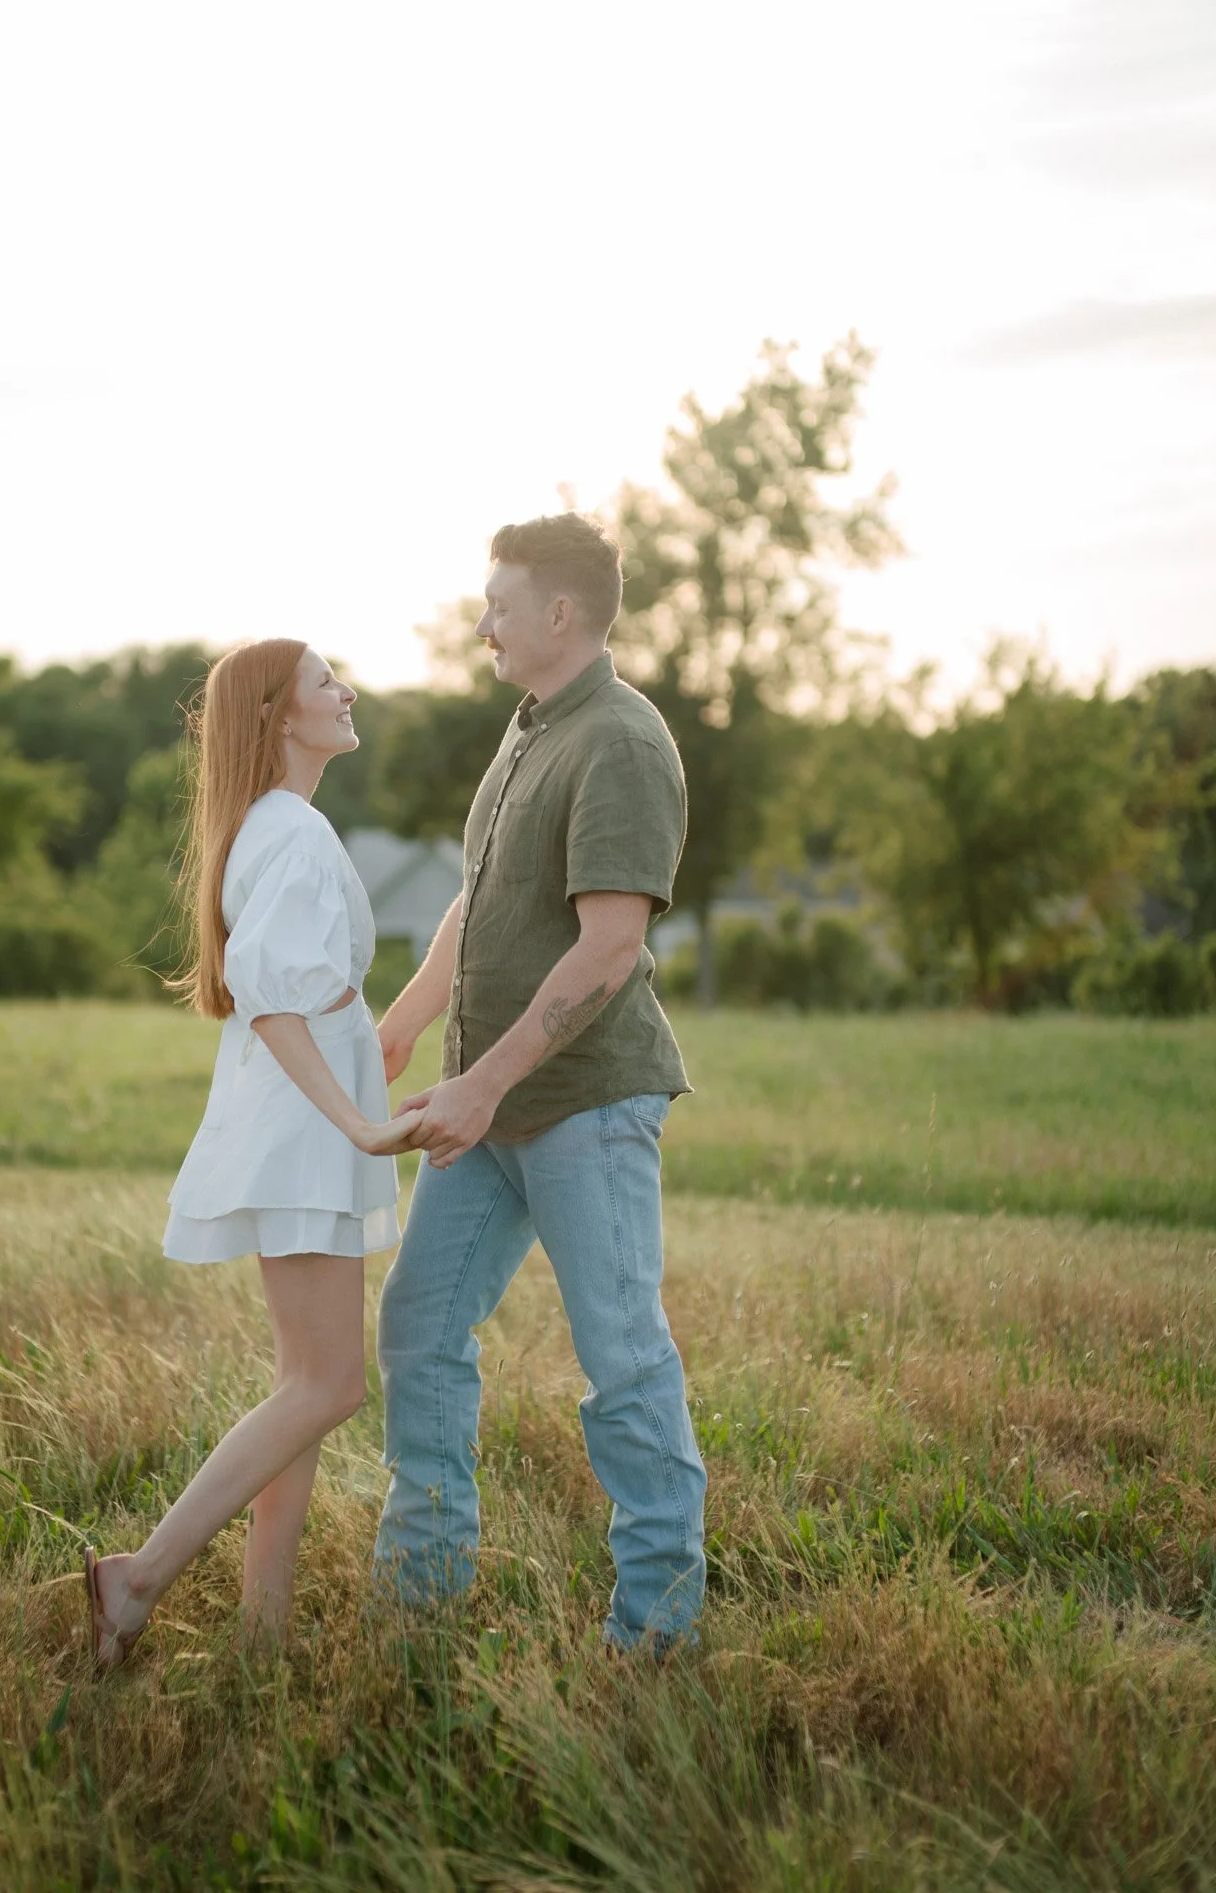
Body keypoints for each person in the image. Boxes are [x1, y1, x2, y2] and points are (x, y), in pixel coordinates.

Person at [374, 514, 708, 1652]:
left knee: (619, 1352)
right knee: (418, 1327)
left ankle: (655, 1628)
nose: (483, 628)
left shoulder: (619, 739)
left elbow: (607, 944)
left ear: (559, 613)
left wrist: (483, 1083)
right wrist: (409, 1023)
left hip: (583, 1103)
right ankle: (423, 1591)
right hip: (492, 1102)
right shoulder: (527, 727)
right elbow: (481, 898)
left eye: (498, 606)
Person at [84, 638, 418, 1669]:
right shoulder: (297, 837)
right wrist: (359, 1124)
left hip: (298, 1128)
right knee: (328, 1386)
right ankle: (135, 1577)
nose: (347, 690)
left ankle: (260, 1633)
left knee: (303, 1383)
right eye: (327, 680)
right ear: (277, 712)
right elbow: (273, 999)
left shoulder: (279, 828)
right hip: (304, 1132)